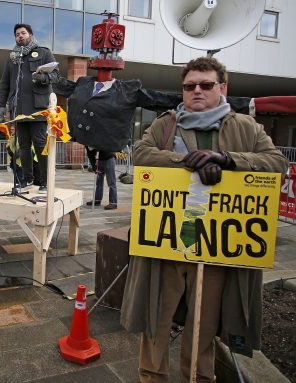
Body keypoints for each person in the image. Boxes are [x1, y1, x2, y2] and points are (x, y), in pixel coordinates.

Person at [120, 57, 289, 383]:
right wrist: (188, 161)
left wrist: (227, 160)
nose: (197, 91)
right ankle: (151, 377)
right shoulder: (166, 124)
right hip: (168, 241)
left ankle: (199, 377)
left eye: (206, 84)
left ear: (222, 88)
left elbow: (276, 162)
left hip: (215, 245)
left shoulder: (246, 127)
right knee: (156, 318)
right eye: (189, 86)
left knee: (205, 324)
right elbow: (141, 154)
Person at [0, 23, 58, 194]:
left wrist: (43, 77)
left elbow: (56, 75)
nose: (20, 36)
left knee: (39, 145)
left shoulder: (44, 52)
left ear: (30, 34)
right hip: (19, 108)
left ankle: (44, 181)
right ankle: (27, 179)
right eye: (17, 34)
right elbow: (5, 84)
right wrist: (1, 105)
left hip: (38, 108)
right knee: (22, 145)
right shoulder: (12, 58)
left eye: (23, 33)